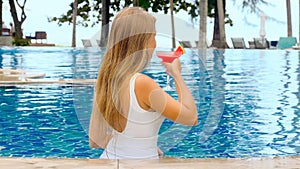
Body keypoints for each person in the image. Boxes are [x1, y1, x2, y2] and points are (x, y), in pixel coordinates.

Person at [89, 7, 198, 160]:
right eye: (153, 36)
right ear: (142, 42)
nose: (155, 42)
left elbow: (95, 140)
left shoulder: (105, 81)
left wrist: (137, 143)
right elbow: (190, 117)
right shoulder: (142, 84)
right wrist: (176, 74)